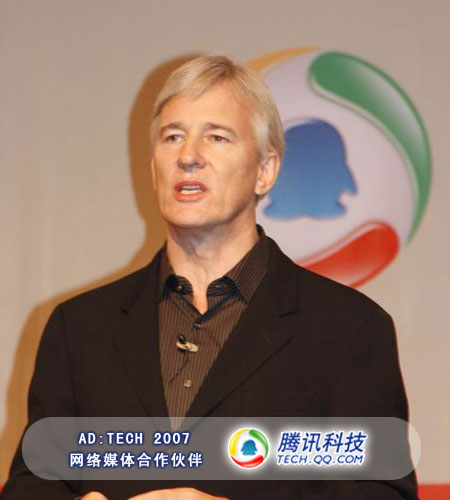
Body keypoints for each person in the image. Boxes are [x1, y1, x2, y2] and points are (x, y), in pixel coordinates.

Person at [1, 55, 417, 500]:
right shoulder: (80, 328)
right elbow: (32, 486)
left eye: (216, 137)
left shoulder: (349, 329)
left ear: (265, 171)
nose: (188, 157)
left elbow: (379, 493)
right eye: (172, 137)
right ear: (154, 167)